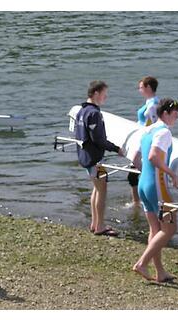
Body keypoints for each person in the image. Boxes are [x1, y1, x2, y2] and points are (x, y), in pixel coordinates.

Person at [132, 98, 178, 283]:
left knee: (155, 229)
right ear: (165, 114)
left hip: (143, 183)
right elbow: (153, 156)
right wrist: (172, 174)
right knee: (170, 227)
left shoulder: (147, 130)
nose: (176, 118)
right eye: (174, 115)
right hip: (157, 184)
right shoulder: (164, 132)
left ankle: (160, 272)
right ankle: (142, 263)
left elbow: (137, 158)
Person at [75, 80, 124, 236]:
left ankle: (94, 223)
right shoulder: (94, 113)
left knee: (96, 189)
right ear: (96, 93)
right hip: (95, 159)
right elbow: (99, 140)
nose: (106, 97)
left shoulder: (81, 111)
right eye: (104, 94)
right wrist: (116, 149)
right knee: (102, 190)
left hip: (86, 157)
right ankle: (100, 226)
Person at [127, 76, 160, 207]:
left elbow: (154, 124)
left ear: (148, 88)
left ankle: (140, 200)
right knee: (132, 175)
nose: (139, 90)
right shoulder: (149, 102)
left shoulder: (153, 104)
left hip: (145, 141)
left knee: (134, 172)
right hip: (140, 140)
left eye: (141, 87)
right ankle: (136, 202)